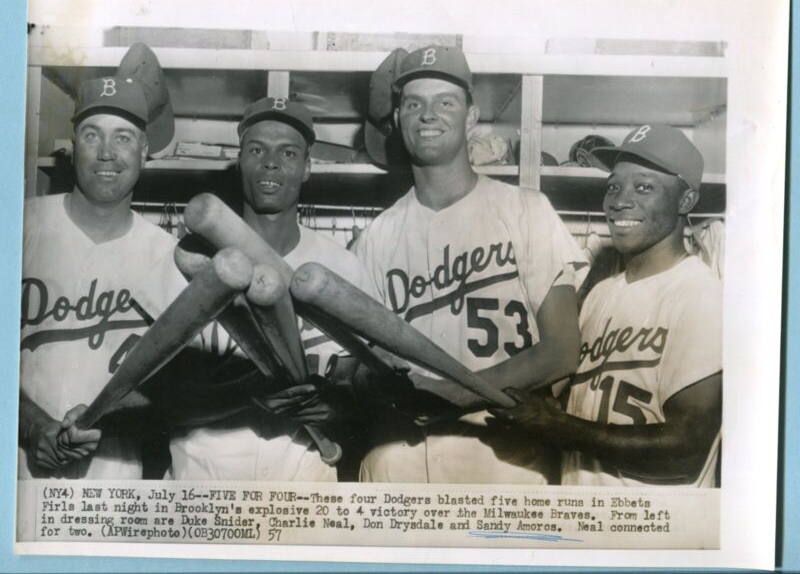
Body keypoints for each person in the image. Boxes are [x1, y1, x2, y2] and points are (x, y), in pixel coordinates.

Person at [353, 45, 588, 483]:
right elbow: (360, 369)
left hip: (505, 460)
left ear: (472, 116)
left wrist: (457, 393)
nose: (428, 115)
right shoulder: (372, 239)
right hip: (399, 462)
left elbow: (562, 349)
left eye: (446, 101)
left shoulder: (528, 211)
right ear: (398, 119)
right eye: (413, 103)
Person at [491, 124, 722, 487]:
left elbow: (687, 450)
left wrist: (556, 427)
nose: (618, 201)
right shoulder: (599, 293)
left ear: (686, 201)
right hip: (585, 520)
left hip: (654, 531)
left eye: (644, 187)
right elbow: (564, 405)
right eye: (613, 186)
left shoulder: (701, 294)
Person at [165, 97, 375, 481]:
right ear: (240, 161)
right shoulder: (191, 263)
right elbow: (162, 401)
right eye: (257, 149)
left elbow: (356, 383)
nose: (271, 162)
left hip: (303, 483)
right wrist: (247, 394)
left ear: (307, 168)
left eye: (289, 152)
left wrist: (336, 403)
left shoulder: (343, 267)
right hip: (202, 481)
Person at [19, 63, 180, 479]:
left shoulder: (169, 257)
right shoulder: (18, 228)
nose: (107, 152)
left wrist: (105, 419)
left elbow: (178, 393)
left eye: (123, 137)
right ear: (73, 147)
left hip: (115, 476)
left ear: (145, 151)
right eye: (92, 135)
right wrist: (32, 424)